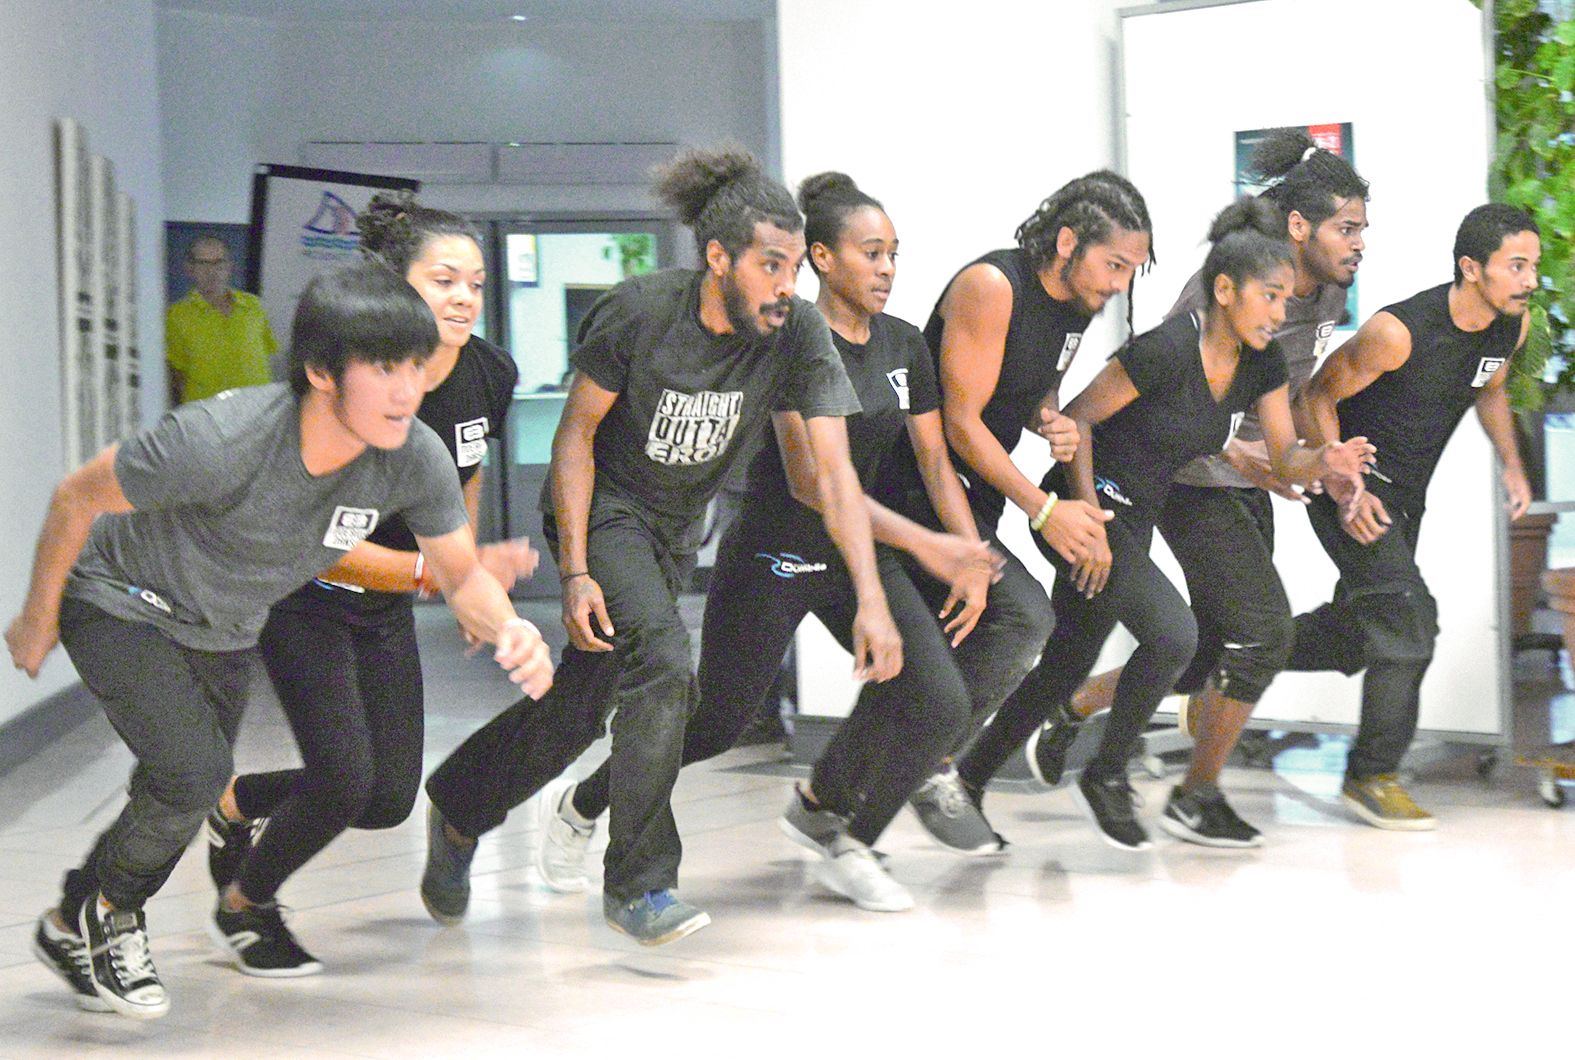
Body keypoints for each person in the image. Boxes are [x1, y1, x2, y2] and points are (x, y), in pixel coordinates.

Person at [11, 262, 553, 1020]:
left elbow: (460, 573)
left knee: (176, 791)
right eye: (384, 369)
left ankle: (69, 921)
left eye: (414, 366)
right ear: (322, 372)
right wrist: (37, 618)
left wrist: (511, 628)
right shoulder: (220, 440)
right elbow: (75, 495)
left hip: (226, 628)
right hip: (122, 601)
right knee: (195, 774)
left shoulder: (413, 455)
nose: (407, 390)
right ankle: (113, 913)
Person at [420, 147, 899, 946]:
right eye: (769, 265)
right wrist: (575, 570)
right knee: (668, 666)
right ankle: (640, 882)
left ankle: (459, 805)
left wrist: (871, 599)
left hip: (671, 532)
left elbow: (834, 473)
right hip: (602, 512)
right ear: (718, 258)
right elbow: (575, 436)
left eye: (792, 267)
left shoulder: (793, 331)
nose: (786, 284)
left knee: (578, 713)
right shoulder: (641, 313)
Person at [539, 173, 1001, 912]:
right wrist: (926, 544)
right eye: (871, 252)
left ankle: (840, 831)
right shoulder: (745, 330)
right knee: (714, 725)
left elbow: (868, 473)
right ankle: (586, 801)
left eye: (894, 254)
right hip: (772, 552)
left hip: (851, 548)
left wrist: (888, 587)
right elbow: (811, 482)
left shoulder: (877, 342)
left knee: (936, 696)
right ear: (822, 258)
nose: (887, 268)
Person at [955, 199, 1371, 852]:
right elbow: (1078, 417)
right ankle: (1107, 774)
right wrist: (1089, 519)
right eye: (1269, 296)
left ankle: (967, 779)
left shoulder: (1261, 364)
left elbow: (1286, 454)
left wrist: (1327, 460)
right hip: (1083, 510)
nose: (1279, 312)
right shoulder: (1168, 349)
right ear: (1225, 290)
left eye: (1286, 299)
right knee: (1176, 634)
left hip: (1134, 517)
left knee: (1066, 665)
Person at [203, 194, 535, 977]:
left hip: (382, 610)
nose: (464, 297)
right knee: (342, 782)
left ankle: (235, 803)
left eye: (475, 283)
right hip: (303, 598)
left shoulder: (489, 372)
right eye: (443, 280)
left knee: (385, 799)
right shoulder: (346, 381)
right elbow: (317, 544)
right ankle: (245, 907)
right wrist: (438, 575)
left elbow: (464, 473)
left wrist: (461, 567)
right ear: (394, 287)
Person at [873, 171, 1152, 848]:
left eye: (1131, 271)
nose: (1119, 285)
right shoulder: (992, 286)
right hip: (916, 488)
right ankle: (921, 767)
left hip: (978, 496)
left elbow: (1030, 388)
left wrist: (1047, 420)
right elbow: (960, 422)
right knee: (1023, 616)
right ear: (1068, 241)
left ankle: (894, 774)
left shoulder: (1077, 303)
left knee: (977, 641)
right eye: (1114, 264)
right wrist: (1045, 508)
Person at [1284, 202, 1537, 830]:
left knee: (1357, 632)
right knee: (1407, 623)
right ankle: (1371, 776)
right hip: (1353, 493)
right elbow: (1315, 396)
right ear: (1471, 268)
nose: (1530, 280)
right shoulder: (1398, 332)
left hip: (1405, 501)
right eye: (1516, 266)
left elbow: (1491, 388)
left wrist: (1511, 464)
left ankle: (1231, 656)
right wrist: (1346, 487)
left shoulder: (1510, 326)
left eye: (1533, 266)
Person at [165, 235, 278, 405]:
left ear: (230, 266)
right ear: (190, 268)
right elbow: (175, 375)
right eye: (203, 263)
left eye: (219, 262)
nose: (212, 271)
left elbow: (265, 357)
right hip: (208, 413)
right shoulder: (176, 315)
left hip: (257, 410)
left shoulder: (254, 305)